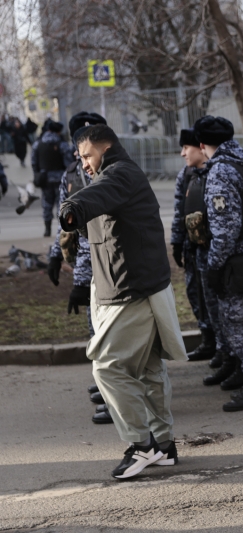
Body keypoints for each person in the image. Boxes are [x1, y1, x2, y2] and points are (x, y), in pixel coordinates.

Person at [58, 124, 187, 479]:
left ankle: (141, 446)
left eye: (87, 155)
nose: (84, 163)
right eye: (80, 158)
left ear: (104, 147)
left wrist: (70, 209)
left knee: (108, 367)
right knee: (147, 370)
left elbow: (93, 197)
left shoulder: (119, 174)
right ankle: (162, 446)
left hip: (132, 291)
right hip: (132, 287)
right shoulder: (114, 174)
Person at [193, 116, 243, 412]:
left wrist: (213, 266)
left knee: (240, 327)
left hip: (232, 260)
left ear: (202, 144)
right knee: (242, 323)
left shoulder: (221, 171)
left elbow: (225, 228)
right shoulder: (242, 163)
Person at [46, 112, 105, 424]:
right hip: (88, 266)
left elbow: (95, 231)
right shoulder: (71, 174)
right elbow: (65, 221)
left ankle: (116, 391)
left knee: (110, 333)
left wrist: (81, 280)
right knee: (96, 329)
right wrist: (55, 254)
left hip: (107, 265)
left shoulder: (107, 172)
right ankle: (106, 381)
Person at [170, 128, 216, 362]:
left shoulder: (214, 173)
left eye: (186, 148)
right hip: (192, 248)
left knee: (212, 297)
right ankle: (208, 339)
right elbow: (180, 209)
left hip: (210, 248)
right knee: (195, 293)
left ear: (200, 147)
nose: (182, 153)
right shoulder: (186, 175)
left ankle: (220, 344)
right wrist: (177, 242)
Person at [31, 121, 73, 237]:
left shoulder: (38, 143)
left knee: (47, 204)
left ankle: (47, 229)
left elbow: (34, 162)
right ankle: (63, 230)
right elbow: (68, 162)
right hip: (60, 178)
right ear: (58, 131)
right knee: (62, 204)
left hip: (45, 179)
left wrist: (37, 173)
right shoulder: (62, 144)